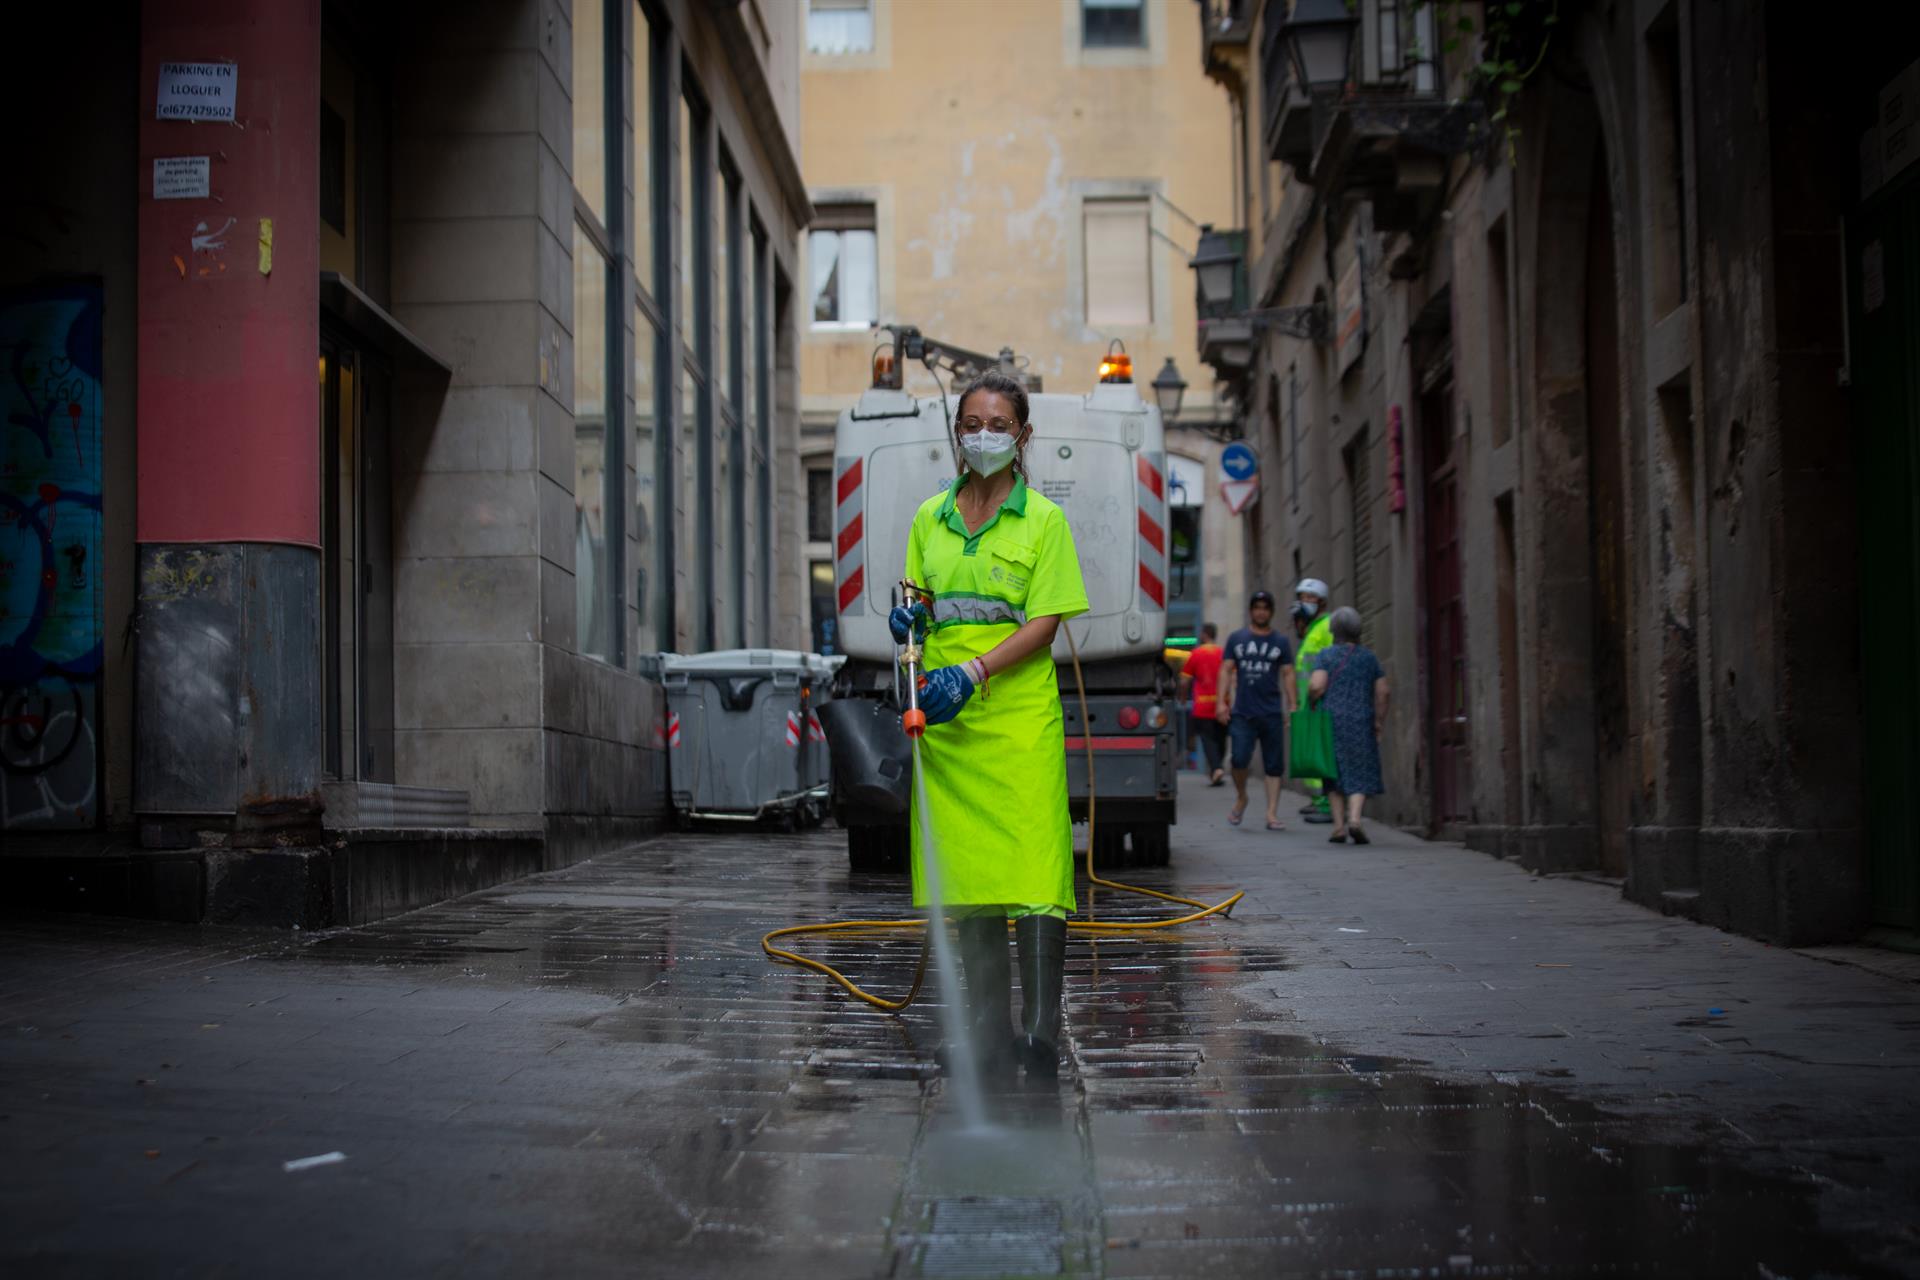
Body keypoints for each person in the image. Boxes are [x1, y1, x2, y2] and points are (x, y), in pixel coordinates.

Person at [887, 368, 1089, 1081]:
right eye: (972, 423)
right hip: (947, 726)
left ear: (1023, 435)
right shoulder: (928, 519)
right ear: (957, 433)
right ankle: (983, 1033)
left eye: (998, 425)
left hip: (1015, 718)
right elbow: (918, 602)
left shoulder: (1044, 522)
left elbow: (1045, 622)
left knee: (1036, 870)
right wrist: (907, 623)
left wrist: (971, 675)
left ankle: (1037, 1036)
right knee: (967, 876)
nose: (983, 435)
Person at [1308, 607, 1390, 844]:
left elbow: (1316, 686)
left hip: (1331, 721)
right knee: (1360, 769)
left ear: (1334, 630)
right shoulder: (1369, 657)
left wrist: (1313, 702)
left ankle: (1338, 827)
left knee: (1333, 772)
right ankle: (1355, 819)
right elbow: (1384, 692)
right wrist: (1378, 721)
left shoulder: (1326, 655)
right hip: (1361, 719)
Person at [1216, 591, 1296, 830]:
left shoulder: (1280, 642)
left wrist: (1293, 705)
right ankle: (1242, 797)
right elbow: (1225, 669)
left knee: (1274, 765)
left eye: (1265, 608)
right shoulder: (1237, 639)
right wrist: (1221, 702)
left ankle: (1271, 813)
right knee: (1238, 759)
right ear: (1251, 611)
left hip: (1271, 712)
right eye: (1257, 607)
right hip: (1243, 712)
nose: (1261, 612)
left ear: (1271, 612)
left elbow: (1288, 673)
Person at [1293, 578, 1336, 824]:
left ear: (1321, 601)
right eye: (1302, 597)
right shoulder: (1312, 628)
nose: (1304, 602)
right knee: (1312, 751)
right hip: (1308, 701)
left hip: (1320, 700)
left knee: (1322, 752)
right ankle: (1319, 800)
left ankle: (1328, 804)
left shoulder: (1326, 626)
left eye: (1310, 598)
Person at [1179, 623, 1226, 785]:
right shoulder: (1223, 653)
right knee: (1220, 739)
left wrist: (1183, 698)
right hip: (1222, 704)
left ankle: (1216, 768)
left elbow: (1184, 681)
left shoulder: (1196, 654)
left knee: (1207, 739)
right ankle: (1216, 770)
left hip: (1202, 706)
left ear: (1205, 635)